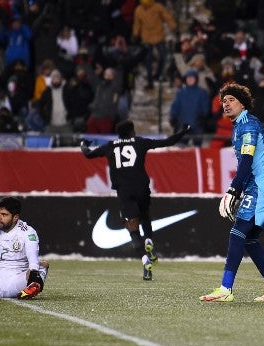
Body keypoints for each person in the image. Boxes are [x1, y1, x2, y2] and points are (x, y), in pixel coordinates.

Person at [200, 83, 264, 303]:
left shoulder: (248, 124)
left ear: (242, 103)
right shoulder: (239, 126)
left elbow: (247, 162)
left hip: (262, 186)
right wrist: (239, 189)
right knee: (248, 240)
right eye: (224, 101)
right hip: (256, 186)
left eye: (231, 100)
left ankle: (225, 289)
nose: (226, 104)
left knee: (237, 232)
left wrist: (233, 189)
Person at [80, 120, 189, 280]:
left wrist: (83, 143)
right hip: (141, 187)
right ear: (131, 131)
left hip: (124, 191)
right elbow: (167, 142)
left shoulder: (111, 145)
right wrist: (183, 131)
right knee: (145, 214)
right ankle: (149, 240)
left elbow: (88, 153)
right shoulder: (140, 142)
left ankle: (145, 260)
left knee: (132, 227)